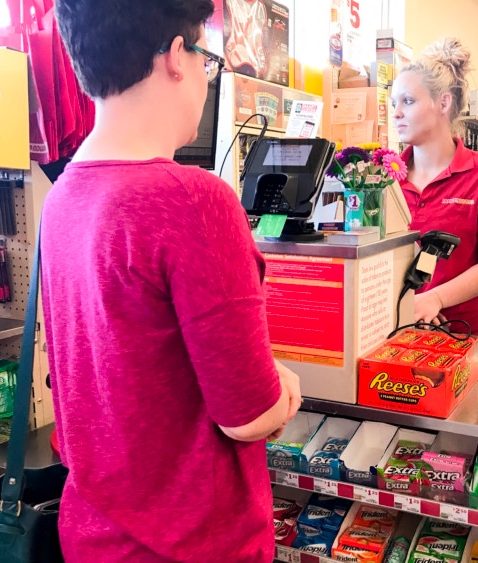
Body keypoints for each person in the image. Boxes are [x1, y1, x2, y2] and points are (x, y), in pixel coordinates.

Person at [42, 1, 301, 561]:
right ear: (179, 58)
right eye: (209, 60)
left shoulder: (62, 196)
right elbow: (249, 416)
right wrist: (284, 386)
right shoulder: (193, 200)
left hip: (91, 533)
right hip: (194, 542)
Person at [392, 37, 478, 335]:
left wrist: (435, 298)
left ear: (443, 102)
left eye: (408, 101)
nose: (396, 112)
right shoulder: (384, 177)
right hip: (389, 330)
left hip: (457, 333)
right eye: (393, 102)